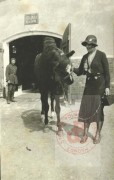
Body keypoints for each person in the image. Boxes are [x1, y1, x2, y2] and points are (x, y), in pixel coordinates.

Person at [73, 35, 110, 144]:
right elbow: (80, 71)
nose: (88, 47)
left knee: (98, 111)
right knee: (86, 110)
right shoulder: (85, 57)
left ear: (94, 45)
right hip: (89, 86)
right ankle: (85, 134)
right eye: (86, 45)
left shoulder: (101, 55)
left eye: (90, 45)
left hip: (100, 86)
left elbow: (107, 73)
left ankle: (98, 134)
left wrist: (107, 86)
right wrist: (71, 68)